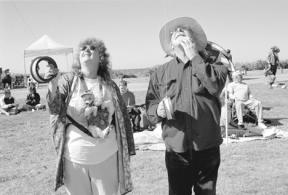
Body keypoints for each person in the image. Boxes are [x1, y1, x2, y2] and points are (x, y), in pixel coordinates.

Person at [145, 17, 228, 195]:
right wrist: (157, 110)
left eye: (184, 29)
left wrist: (194, 57)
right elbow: (150, 110)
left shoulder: (216, 65)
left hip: (207, 147)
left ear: (195, 39)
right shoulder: (159, 73)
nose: (179, 30)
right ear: (170, 44)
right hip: (176, 150)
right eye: (174, 31)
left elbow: (214, 86)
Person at [46, 37, 135, 195]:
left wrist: (128, 148)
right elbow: (54, 110)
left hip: (107, 157)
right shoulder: (68, 81)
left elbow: (123, 120)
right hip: (74, 159)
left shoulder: (111, 85)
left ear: (101, 57)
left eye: (92, 48)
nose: (87, 49)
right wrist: (53, 87)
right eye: (83, 48)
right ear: (78, 58)